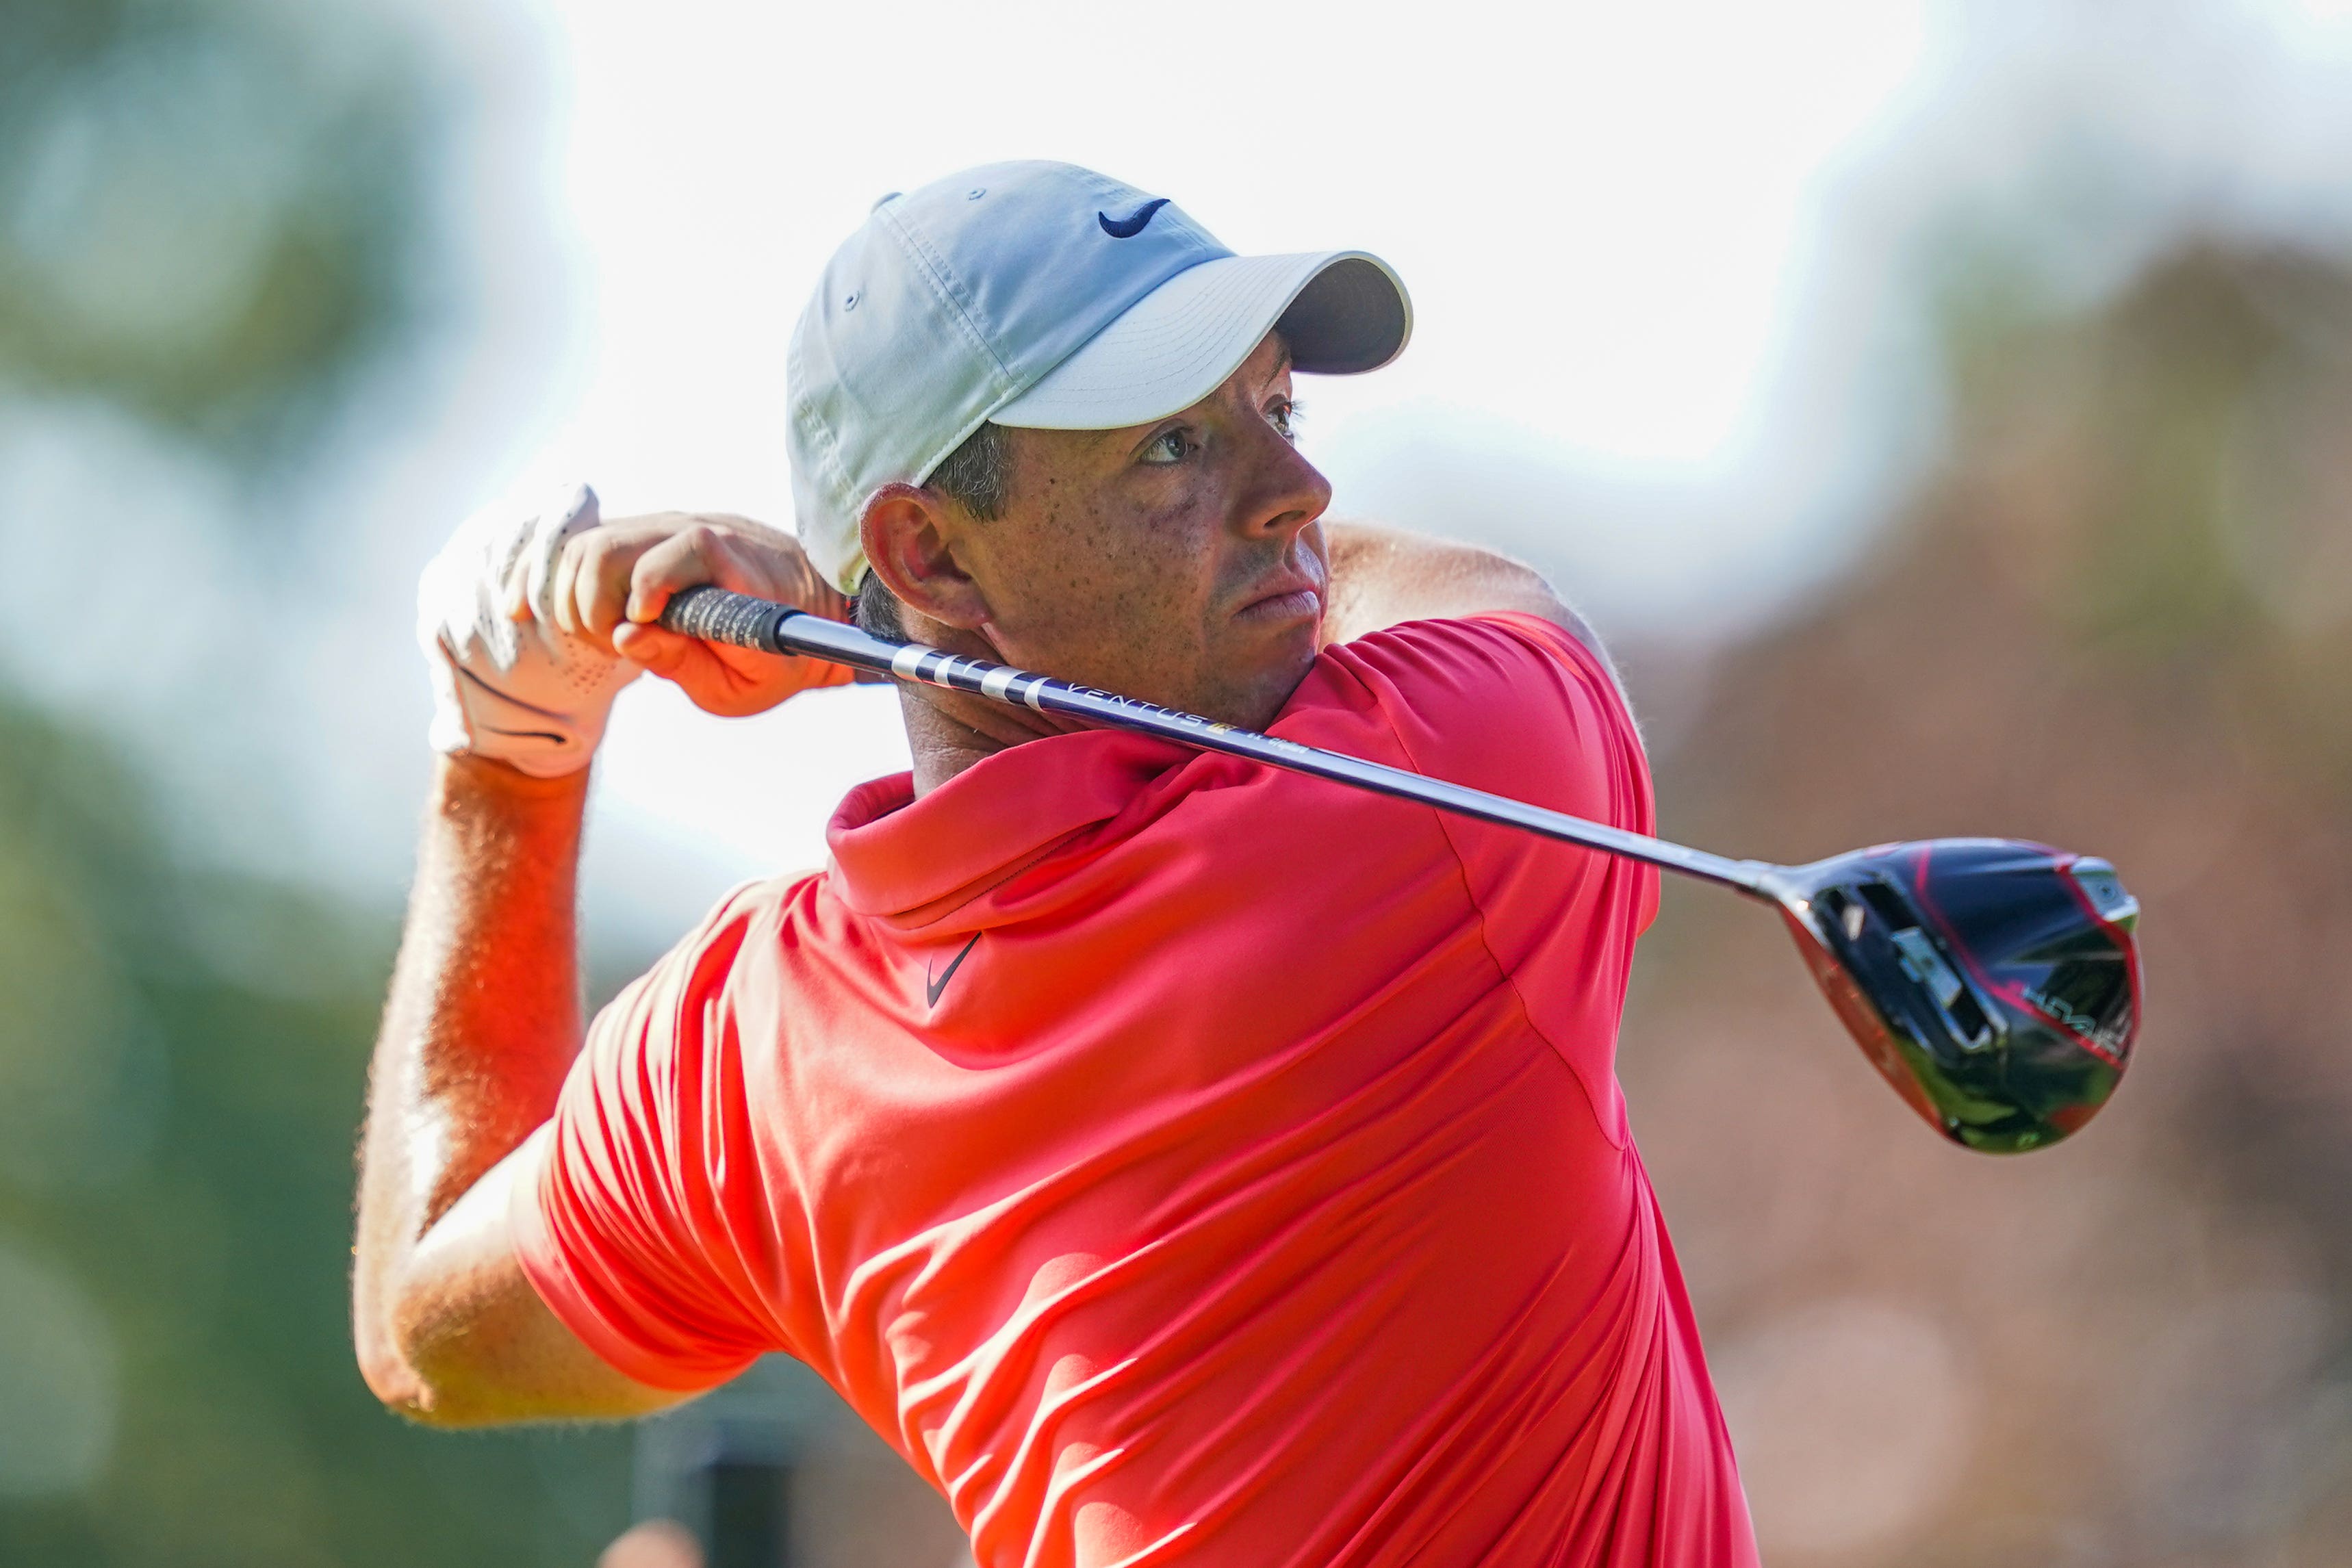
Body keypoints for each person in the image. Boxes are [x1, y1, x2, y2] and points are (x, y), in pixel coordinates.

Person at [352, 162, 1759, 1567]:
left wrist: (505, 755)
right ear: (934, 554)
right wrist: (884, 612)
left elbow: (425, 1324)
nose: (1298, 489)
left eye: (1274, 409)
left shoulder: (743, 1056)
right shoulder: (1452, 785)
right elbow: (1478, 598)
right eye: (1170, 448)